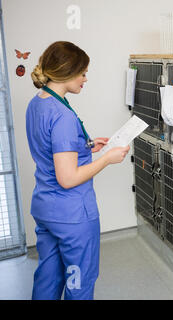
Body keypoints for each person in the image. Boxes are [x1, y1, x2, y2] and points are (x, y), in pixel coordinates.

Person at [26, 41, 130, 300]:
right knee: (79, 280)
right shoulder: (63, 116)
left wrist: (87, 146)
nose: (85, 79)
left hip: (46, 209)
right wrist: (107, 159)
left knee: (48, 278)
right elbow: (68, 178)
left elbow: (50, 149)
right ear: (67, 71)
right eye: (82, 73)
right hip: (72, 216)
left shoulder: (38, 103)